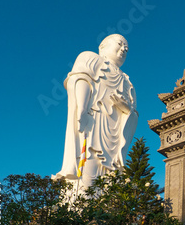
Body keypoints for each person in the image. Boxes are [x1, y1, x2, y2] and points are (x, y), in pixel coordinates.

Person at [54, 34, 138, 190]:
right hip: (93, 126)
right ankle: (79, 207)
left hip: (115, 137)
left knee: (111, 184)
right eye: (119, 44)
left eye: (126, 49)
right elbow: (79, 79)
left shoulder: (127, 81)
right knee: (88, 172)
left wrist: (125, 107)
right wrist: (82, 108)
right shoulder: (90, 58)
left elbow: (133, 113)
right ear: (102, 46)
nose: (123, 50)